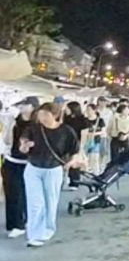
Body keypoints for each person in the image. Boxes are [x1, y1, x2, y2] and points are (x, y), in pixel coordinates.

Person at [19, 102, 82, 247]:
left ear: (55, 115)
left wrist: (71, 162)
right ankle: (34, 235)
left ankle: (48, 229)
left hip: (53, 170)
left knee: (50, 201)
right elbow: (22, 146)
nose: (42, 118)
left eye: (45, 115)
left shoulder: (66, 131)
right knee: (35, 203)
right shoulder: (33, 129)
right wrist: (24, 146)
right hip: (33, 168)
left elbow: (75, 150)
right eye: (40, 115)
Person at [2, 97, 37, 239]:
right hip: (11, 159)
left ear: (33, 107)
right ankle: (13, 223)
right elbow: (7, 140)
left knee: (22, 194)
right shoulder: (15, 121)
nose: (22, 107)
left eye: (25, 105)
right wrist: (9, 127)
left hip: (28, 163)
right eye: (21, 105)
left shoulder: (37, 125)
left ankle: (20, 223)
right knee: (11, 193)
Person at [63, 102, 92, 187]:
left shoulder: (82, 120)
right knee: (66, 160)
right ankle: (67, 178)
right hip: (66, 142)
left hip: (77, 142)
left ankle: (75, 181)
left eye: (67, 108)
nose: (66, 110)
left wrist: (81, 145)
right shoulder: (65, 118)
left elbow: (84, 134)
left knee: (75, 162)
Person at [84, 102, 106, 173]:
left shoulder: (100, 120)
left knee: (95, 158)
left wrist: (94, 133)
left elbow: (103, 131)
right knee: (86, 158)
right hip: (86, 141)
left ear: (94, 110)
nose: (88, 111)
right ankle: (88, 171)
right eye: (87, 109)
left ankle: (96, 172)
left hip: (96, 141)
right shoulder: (84, 120)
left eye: (89, 109)